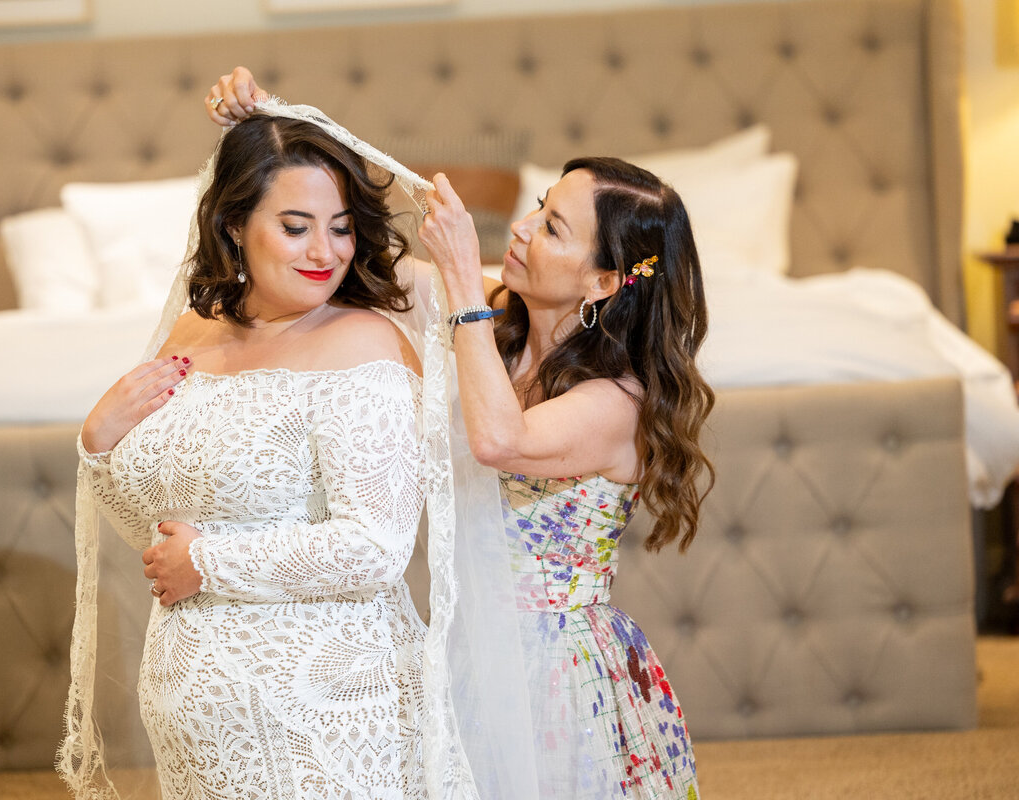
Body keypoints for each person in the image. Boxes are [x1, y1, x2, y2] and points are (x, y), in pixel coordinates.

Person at [209, 70, 714, 800]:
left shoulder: (616, 401)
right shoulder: (499, 327)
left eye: (552, 229)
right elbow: (365, 262)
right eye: (540, 207)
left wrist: (461, 283)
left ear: (603, 283)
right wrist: (275, 125)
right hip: (458, 644)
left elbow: (499, 440)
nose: (521, 227)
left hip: (553, 674)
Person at [59, 111, 434, 800]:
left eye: (342, 225)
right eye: (296, 226)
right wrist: (100, 441)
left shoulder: (364, 345)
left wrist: (207, 561)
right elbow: (157, 534)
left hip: (327, 717)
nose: (326, 249)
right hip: (197, 723)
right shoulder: (191, 330)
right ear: (234, 224)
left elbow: (378, 546)